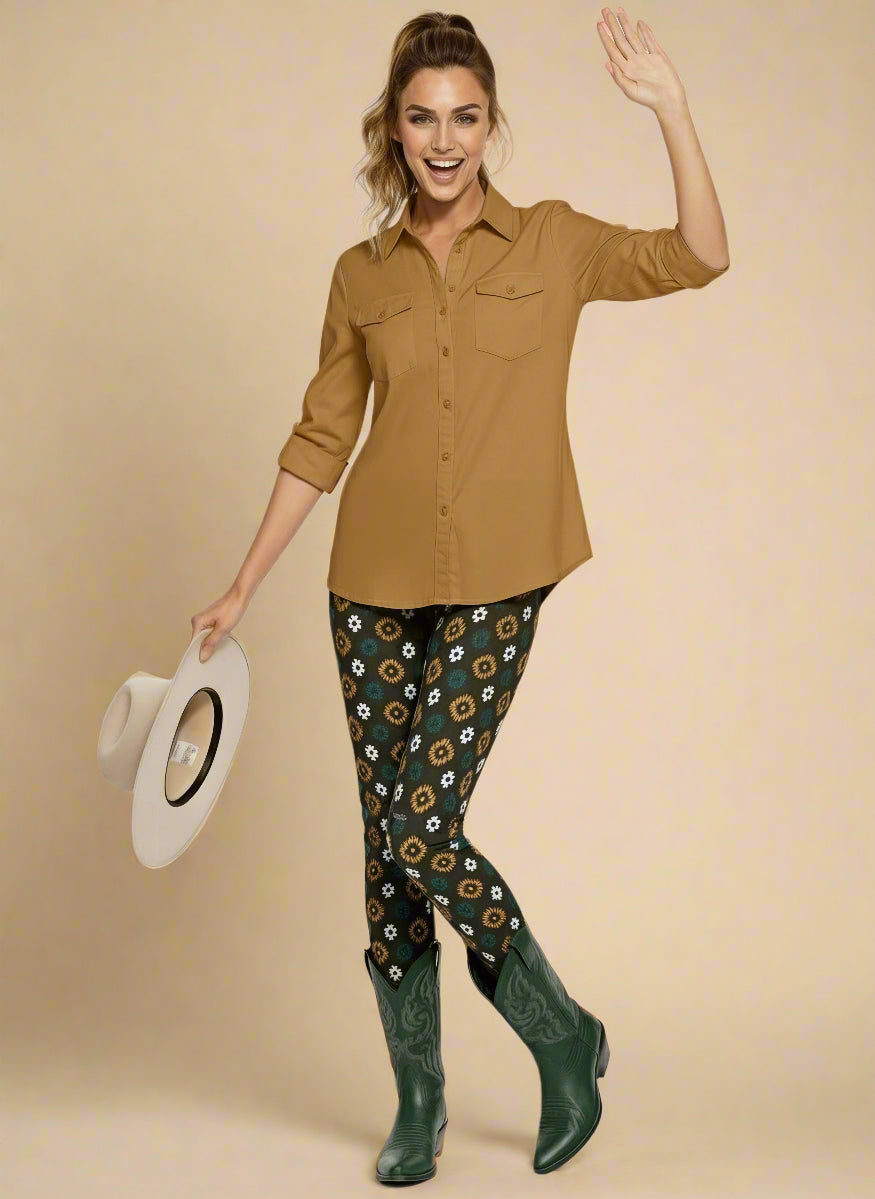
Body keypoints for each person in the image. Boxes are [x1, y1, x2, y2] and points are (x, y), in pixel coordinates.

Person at [191, 7, 730, 1186]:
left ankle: (561, 1036)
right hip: (367, 585)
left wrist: (671, 111)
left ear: (491, 125)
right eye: (422, 117)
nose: (443, 140)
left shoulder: (552, 242)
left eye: (465, 117)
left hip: (500, 575)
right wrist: (241, 583)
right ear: (392, 128)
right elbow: (321, 436)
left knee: (423, 823)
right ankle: (419, 1099)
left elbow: (698, 254)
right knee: (387, 854)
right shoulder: (359, 273)